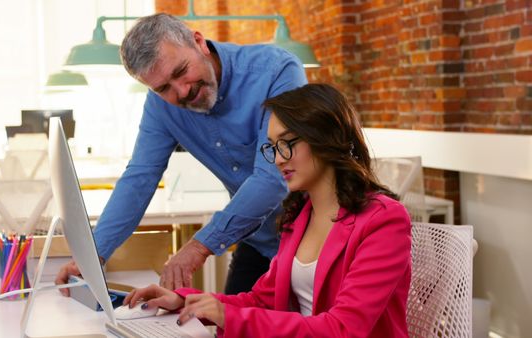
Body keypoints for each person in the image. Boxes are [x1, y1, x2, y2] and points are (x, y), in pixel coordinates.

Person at [122, 84, 412, 337]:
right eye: (272, 147)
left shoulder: (384, 221)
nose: (277, 159)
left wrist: (228, 316)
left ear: (326, 137)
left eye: (286, 144)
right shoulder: (300, 217)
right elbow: (262, 300)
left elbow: (343, 329)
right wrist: (182, 300)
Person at [55, 13, 307, 294]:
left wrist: (199, 245)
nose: (182, 92)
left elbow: (272, 177)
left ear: (198, 42)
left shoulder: (276, 71)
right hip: (260, 241)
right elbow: (140, 177)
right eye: (163, 88)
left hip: (318, 242)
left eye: (180, 71)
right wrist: (93, 257)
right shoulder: (160, 107)